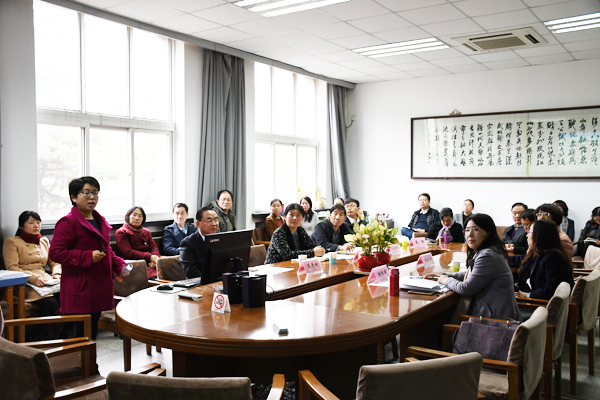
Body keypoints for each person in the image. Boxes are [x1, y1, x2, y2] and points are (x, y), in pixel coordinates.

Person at [49, 177, 130, 339]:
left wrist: (119, 265)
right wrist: (86, 257)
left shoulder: (99, 221)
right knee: (80, 336)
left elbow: (105, 250)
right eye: (86, 193)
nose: (92, 197)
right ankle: (81, 365)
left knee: (92, 333)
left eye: (95, 193)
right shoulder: (68, 222)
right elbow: (55, 253)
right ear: (73, 197)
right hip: (80, 289)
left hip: (99, 286)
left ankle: (90, 364)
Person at [431, 214, 521, 321]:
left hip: (495, 322)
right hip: (491, 315)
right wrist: (444, 276)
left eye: (476, 230)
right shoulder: (487, 250)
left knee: (438, 322)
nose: (470, 235)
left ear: (488, 232)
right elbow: (473, 273)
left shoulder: (488, 255)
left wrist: (446, 280)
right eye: (467, 230)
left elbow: (466, 289)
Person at [4, 211, 61, 340]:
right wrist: (33, 278)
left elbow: (54, 262)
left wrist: (56, 273)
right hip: (26, 283)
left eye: (38, 223)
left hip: (46, 281)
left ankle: (65, 336)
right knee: (51, 304)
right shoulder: (12, 242)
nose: (36, 226)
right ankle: (33, 338)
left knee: (69, 297)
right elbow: (12, 268)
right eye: (31, 223)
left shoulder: (44, 241)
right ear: (21, 226)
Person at [509, 219, 574, 300]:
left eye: (530, 232)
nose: (527, 235)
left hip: (538, 305)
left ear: (539, 235)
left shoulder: (552, 257)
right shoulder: (540, 253)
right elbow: (519, 260)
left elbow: (551, 288)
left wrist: (527, 295)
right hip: (529, 296)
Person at [115, 206, 160, 279]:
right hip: (134, 265)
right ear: (128, 216)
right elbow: (128, 252)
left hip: (150, 263)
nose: (137, 218)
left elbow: (154, 248)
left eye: (140, 216)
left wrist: (155, 260)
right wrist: (149, 257)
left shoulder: (146, 232)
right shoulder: (121, 232)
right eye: (134, 215)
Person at [179, 206, 220, 279]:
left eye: (216, 220)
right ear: (198, 224)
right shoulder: (188, 243)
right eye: (209, 220)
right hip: (199, 285)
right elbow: (191, 273)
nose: (214, 224)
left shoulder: (221, 239)